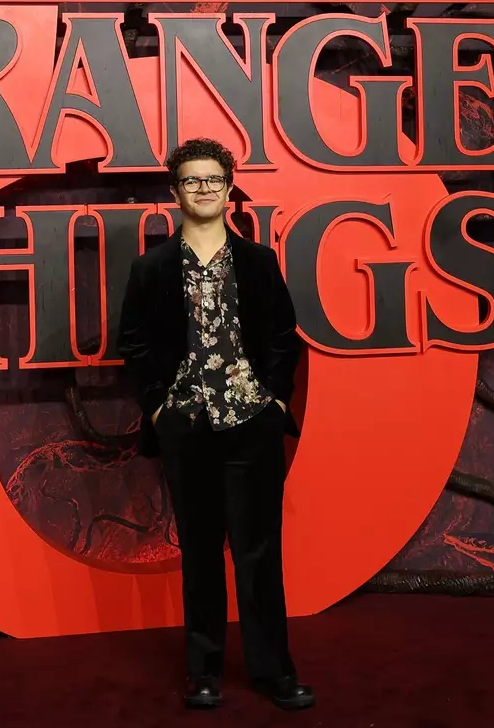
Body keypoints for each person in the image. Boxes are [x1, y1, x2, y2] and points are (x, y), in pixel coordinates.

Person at [117, 137, 312, 711]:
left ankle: (274, 672)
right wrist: (157, 408)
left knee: (258, 554)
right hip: (186, 424)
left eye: (213, 179)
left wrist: (275, 401)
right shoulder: (150, 268)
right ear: (174, 191)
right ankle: (202, 672)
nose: (203, 188)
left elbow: (282, 336)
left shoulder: (258, 261)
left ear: (229, 188)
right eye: (191, 180)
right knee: (199, 554)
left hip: (251, 422)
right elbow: (134, 344)